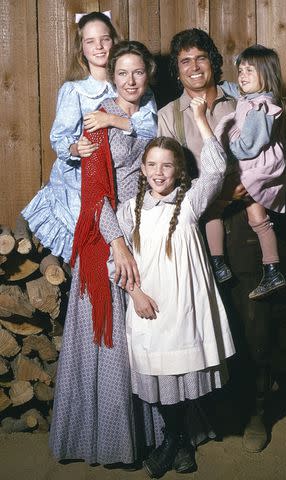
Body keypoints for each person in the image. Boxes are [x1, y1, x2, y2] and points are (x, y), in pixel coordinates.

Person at [158, 28, 275, 453]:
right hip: (197, 227)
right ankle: (216, 409)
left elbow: (265, 150)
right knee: (205, 317)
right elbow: (168, 176)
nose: (193, 67)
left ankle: (258, 410)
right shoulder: (170, 114)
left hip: (244, 223)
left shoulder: (238, 99)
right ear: (177, 69)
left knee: (253, 314)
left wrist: (251, 189)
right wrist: (220, 195)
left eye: (200, 58)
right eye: (184, 61)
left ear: (213, 62)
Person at [49, 40, 162, 467]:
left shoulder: (150, 114)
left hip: (146, 225)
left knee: (147, 329)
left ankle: (152, 433)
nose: (130, 81)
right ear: (111, 77)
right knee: (109, 334)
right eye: (122, 73)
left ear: (148, 75)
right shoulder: (96, 122)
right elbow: (93, 194)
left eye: (138, 72)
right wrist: (117, 244)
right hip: (104, 232)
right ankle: (107, 439)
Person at [116, 134, 235, 478]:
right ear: (141, 169)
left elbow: (216, 170)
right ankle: (179, 441)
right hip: (147, 304)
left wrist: (201, 121)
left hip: (184, 305)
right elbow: (118, 262)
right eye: (151, 164)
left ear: (179, 170)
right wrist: (135, 293)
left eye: (167, 165)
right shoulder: (130, 210)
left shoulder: (190, 202)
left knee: (181, 372)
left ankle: (174, 442)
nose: (158, 172)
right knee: (157, 374)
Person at [21, 11, 157, 263]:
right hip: (83, 185)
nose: (99, 47)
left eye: (105, 39)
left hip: (125, 182)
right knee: (92, 256)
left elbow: (151, 128)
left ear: (114, 42)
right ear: (80, 49)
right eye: (90, 41)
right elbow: (59, 139)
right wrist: (75, 148)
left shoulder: (135, 85)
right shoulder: (76, 91)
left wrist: (112, 119)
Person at [208, 44, 286, 299]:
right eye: (241, 70)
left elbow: (248, 147)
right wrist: (224, 85)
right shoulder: (255, 97)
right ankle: (272, 269)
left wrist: (228, 143)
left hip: (253, 167)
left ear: (266, 76)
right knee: (258, 219)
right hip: (258, 166)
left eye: (249, 71)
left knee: (214, 207)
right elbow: (237, 89)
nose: (242, 76)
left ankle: (217, 263)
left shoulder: (261, 108)